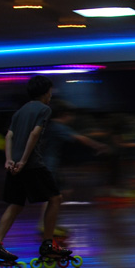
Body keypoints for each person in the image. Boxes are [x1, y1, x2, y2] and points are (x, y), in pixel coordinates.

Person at [0, 76, 73, 265]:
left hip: (14, 164)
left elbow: (9, 136)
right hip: (32, 164)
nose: (50, 95)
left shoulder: (20, 111)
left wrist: (9, 160)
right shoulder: (44, 109)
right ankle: (48, 244)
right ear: (46, 92)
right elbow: (34, 134)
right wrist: (23, 160)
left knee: (15, 204)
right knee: (55, 198)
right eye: (50, 91)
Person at [38, 100, 108, 237]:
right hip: (49, 166)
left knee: (63, 192)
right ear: (65, 114)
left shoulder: (50, 126)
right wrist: (98, 146)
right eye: (72, 115)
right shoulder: (58, 126)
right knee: (55, 196)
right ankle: (45, 225)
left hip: (50, 166)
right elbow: (79, 138)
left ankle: (50, 223)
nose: (73, 118)